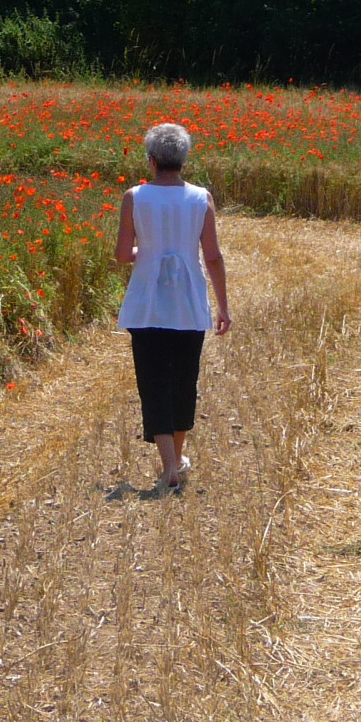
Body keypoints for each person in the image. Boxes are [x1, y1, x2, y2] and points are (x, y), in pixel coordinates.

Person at [114, 122, 232, 491]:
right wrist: (223, 307)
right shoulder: (201, 198)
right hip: (189, 302)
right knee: (184, 381)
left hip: (147, 304)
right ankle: (175, 459)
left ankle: (170, 465)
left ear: (151, 161)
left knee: (153, 382)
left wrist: (145, 252)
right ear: (183, 159)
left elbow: (121, 255)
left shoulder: (135, 196)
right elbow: (212, 256)